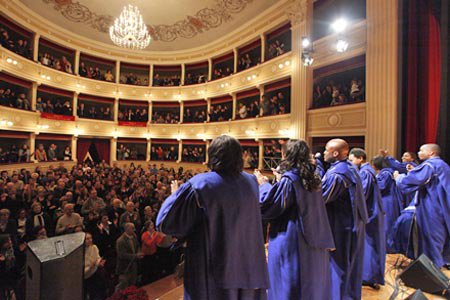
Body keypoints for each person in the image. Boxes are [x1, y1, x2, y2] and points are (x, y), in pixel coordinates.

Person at [156, 135, 269, 300]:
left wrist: (175, 197)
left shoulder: (201, 184)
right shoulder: (251, 182)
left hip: (214, 269)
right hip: (248, 266)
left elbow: (165, 222)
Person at [255, 140, 335, 300]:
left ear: (286, 155)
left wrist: (263, 185)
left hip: (292, 238)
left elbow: (270, 205)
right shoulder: (313, 178)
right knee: (309, 284)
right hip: (313, 238)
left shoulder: (290, 179)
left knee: (288, 282)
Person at [321, 139, 368, 300]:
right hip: (352, 222)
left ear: (335, 153)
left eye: (327, 150)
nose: (324, 152)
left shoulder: (337, 174)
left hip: (342, 226)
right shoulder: (350, 168)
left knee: (338, 267)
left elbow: (321, 198)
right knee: (351, 266)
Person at [395, 144, 450, 268]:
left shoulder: (430, 165)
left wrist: (399, 178)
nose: (419, 152)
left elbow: (412, 181)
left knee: (431, 241)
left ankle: (431, 277)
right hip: (442, 208)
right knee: (439, 240)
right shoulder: (443, 165)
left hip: (432, 208)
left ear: (431, 153)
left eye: (421, 150)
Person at [349, 148, 385, 288]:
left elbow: (360, 195)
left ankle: (368, 276)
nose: (351, 163)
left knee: (369, 245)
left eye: (352, 160)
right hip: (372, 212)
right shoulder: (367, 171)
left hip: (370, 214)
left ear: (360, 159)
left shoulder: (365, 173)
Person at [372, 155, 403, 242]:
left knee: (387, 223)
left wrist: (372, 181)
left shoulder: (386, 173)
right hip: (387, 199)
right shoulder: (386, 172)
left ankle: (388, 245)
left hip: (387, 200)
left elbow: (382, 186)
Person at [115, 222, 143, 291]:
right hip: (124, 268)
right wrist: (136, 256)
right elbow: (122, 255)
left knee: (132, 285)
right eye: (132, 228)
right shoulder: (120, 241)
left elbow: (137, 246)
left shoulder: (134, 237)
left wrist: (139, 252)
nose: (134, 230)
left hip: (133, 266)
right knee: (123, 286)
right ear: (127, 229)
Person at [84, 232, 106, 300]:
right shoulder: (80, 252)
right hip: (87, 276)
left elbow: (97, 258)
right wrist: (90, 266)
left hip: (96, 272)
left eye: (91, 238)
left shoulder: (94, 247)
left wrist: (99, 263)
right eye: (87, 239)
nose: (90, 240)